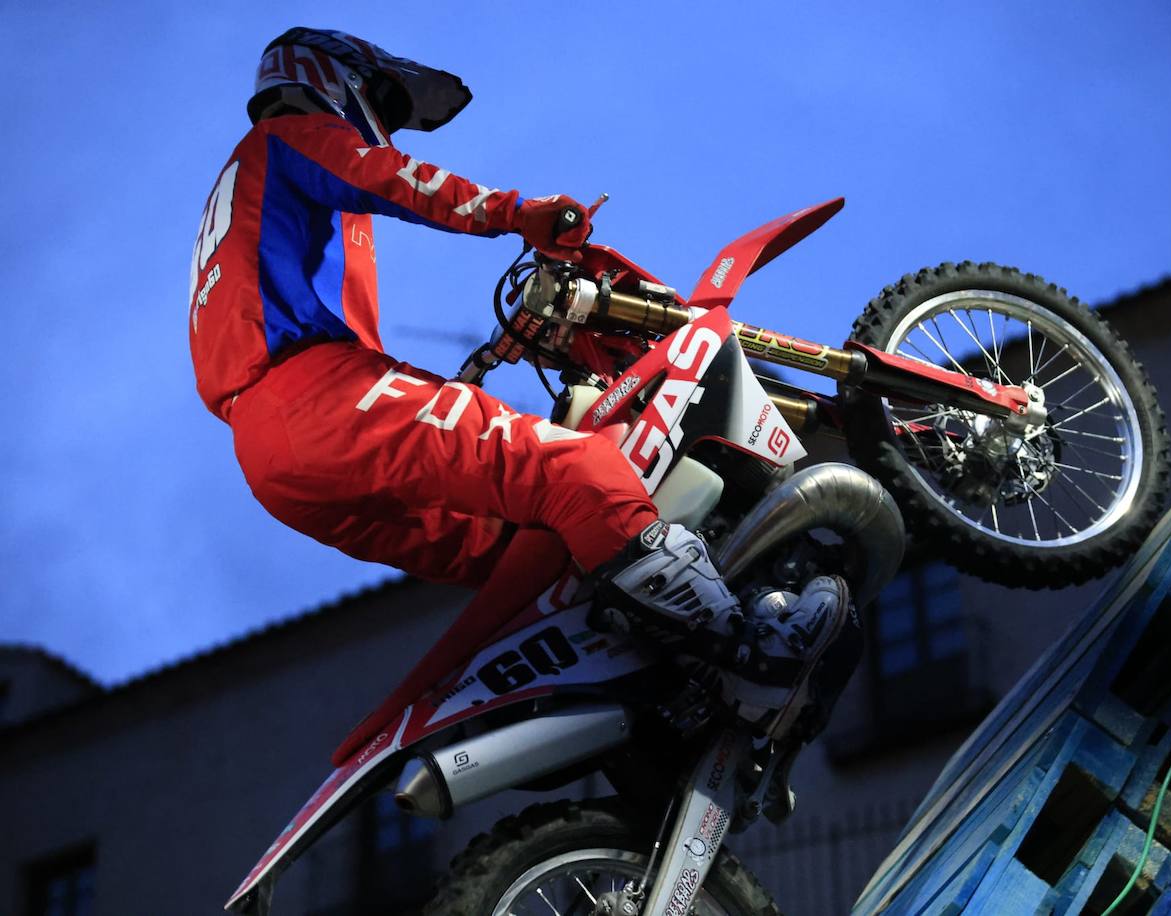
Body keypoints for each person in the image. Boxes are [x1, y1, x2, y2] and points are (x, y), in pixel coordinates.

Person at [189, 27, 842, 730]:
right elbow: (390, 177)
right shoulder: (289, 136)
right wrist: (519, 213)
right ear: (328, 76)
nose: (382, 121)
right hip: (314, 393)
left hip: (274, 458)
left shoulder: (247, 200)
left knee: (534, 554)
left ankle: (662, 688)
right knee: (579, 470)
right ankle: (750, 653)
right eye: (380, 97)